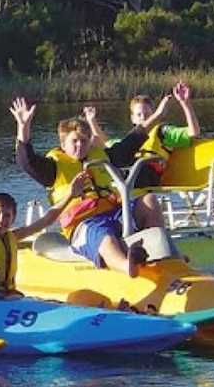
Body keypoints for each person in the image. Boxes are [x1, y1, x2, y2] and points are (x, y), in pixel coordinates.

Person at [11, 97, 169, 277]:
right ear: (63, 144)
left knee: (148, 201)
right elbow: (27, 162)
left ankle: (162, 257)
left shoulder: (102, 156)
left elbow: (133, 140)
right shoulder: (52, 168)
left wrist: (156, 116)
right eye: (75, 141)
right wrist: (23, 128)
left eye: (84, 141)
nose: (80, 145)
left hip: (114, 213)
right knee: (105, 237)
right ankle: (128, 267)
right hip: (84, 224)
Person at [0, 163, 85, 294]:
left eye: (7, 216)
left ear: (13, 219)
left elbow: (47, 220)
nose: (1, 220)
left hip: (8, 296)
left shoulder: (13, 236)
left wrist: (70, 195)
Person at [112, 81, 201, 188]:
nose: (143, 118)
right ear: (133, 118)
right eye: (139, 114)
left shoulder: (162, 132)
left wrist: (185, 103)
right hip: (128, 172)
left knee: (132, 171)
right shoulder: (130, 139)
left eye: (147, 114)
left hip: (147, 174)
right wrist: (91, 122)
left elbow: (193, 132)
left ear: (155, 115)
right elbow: (104, 145)